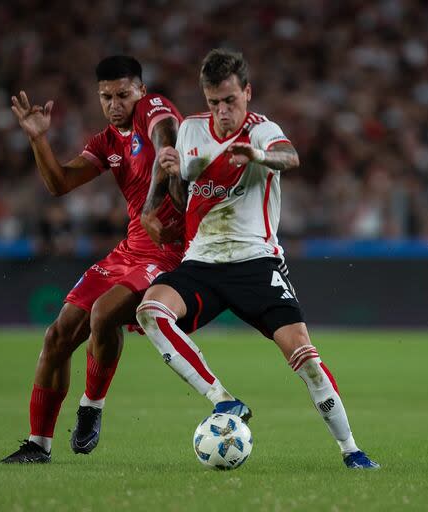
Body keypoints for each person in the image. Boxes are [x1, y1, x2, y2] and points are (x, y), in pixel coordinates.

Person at [135, 49, 379, 469]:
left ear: (247, 93)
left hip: (256, 262)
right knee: (151, 311)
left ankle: (351, 449)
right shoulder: (190, 130)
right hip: (203, 264)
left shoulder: (262, 131)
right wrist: (174, 174)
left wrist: (258, 157)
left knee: (305, 356)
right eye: (214, 102)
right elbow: (185, 199)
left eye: (230, 100)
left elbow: (291, 157)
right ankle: (223, 401)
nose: (223, 111)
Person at [1, 56, 185, 463]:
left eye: (123, 93)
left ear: (140, 89)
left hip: (170, 253)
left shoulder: (154, 110)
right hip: (129, 251)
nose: (115, 103)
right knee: (58, 335)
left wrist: (170, 160)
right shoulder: (107, 142)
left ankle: (91, 406)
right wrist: (38, 139)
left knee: (104, 313)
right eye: (106, 96)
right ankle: (37, 445)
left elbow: (166, 134)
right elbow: (60, 183)